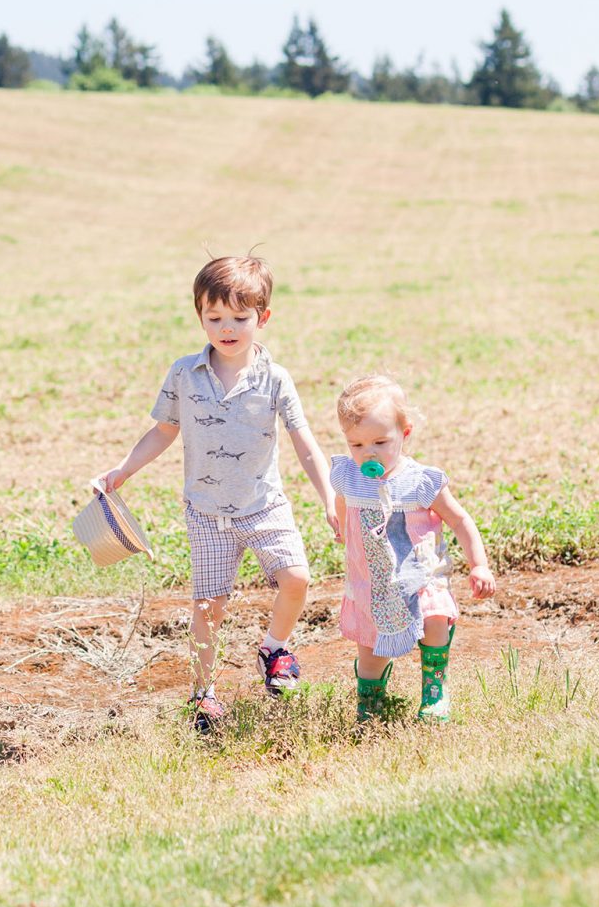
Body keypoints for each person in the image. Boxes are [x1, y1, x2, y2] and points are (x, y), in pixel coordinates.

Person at [100, 255, 336, 729]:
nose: (227, 328)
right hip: (206, 513)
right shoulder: (185, 375)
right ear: (200, 317)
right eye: (214, 318)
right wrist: (124, 470)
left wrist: (329, 496)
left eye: (240, 318)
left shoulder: (275, 378)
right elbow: (163, 431)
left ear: (262, 318)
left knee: (296, 579)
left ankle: (273, 650)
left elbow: (304, 443)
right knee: (208, 606)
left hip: (264, 506)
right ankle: (203, 695)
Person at [330, 375, 495, 723]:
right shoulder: (349, 476)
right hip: (371, 581)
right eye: (356, 445)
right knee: (371, 648)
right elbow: (343, 506)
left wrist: (478, 564)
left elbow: (460, 520)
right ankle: (370, 702)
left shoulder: (420, 481)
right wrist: (342, 529)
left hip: (421, 575)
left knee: (433, 621)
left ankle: (435, 689)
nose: (368, 453)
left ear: (405, 434)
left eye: (379, 441)